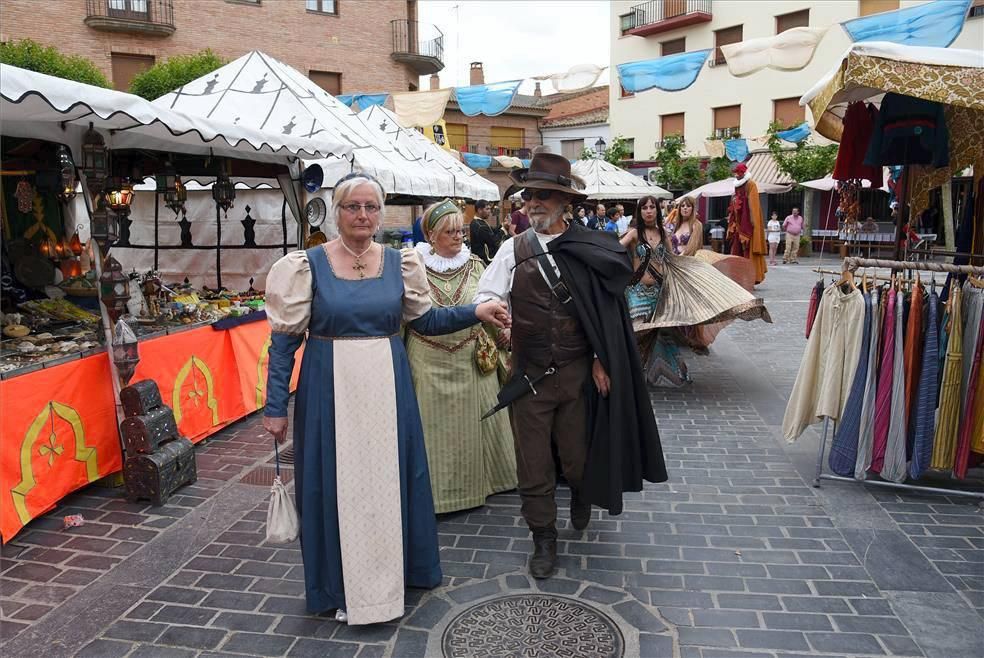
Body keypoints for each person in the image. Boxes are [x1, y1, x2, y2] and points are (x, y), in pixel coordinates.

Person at [262, 173, 509, 625]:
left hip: (388, 387)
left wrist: (476, 310)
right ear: (336, 213)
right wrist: (275, 405)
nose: (362, 215)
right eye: (352, 207)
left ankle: (397, 573)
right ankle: (338, 585)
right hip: (328, 391)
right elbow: (283, 344)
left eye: (370, 207)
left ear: (380, 213)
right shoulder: (306, 265)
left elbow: (427, 321)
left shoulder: (400, 262)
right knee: (334, 483)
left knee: (390, 479)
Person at [474, 152, 667, 579]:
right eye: (529, 196)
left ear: (565, 203)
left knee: (577, 457)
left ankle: (581, 492)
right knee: (533, 464)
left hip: (579, 375)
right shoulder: (513, 248)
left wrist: (602, 357)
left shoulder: (590, 249)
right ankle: (543, 535)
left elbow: (606, 315)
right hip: (528, 377)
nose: (534, 203)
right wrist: (494, 313)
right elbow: (487, 296)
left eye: (544, 196)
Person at [407, 200, 517, 513]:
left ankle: (486, 484)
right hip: (427, 360)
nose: (459, 237)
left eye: (461, 230)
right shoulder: (413, 268)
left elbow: (493, 303)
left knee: (478, 425)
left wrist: (504, 335)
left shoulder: (477, 265)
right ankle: (437, 495)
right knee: (433, 430)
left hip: (472, 356)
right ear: (431, 235)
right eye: (450, 231)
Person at [621, 195, 772, 388]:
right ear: (640, 212)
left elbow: (674, 260)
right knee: (637, 329)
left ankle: (657, 372)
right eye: (645, 208)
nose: (649, 211)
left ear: (657, 211)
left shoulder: (663, 234)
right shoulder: (634, 234)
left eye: (652, 207)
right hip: (637, 290)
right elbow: (615, 249)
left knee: (657, 332)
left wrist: (698, 272)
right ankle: (628, 370)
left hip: (659, 290)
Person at [469, 200, 503, 265]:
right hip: (485, 260)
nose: (489, 211)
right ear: (479, 210)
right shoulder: (480, 226)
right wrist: (503, 230)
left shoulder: (478, 222)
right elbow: (495, 241)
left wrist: (503, 225)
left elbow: (492, 230)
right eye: (487, 209)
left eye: (490, 209)